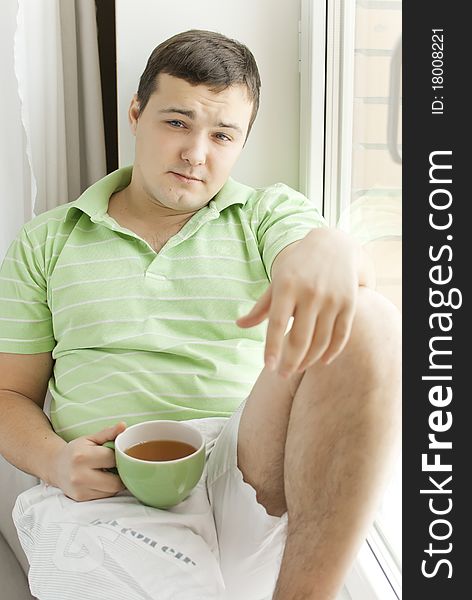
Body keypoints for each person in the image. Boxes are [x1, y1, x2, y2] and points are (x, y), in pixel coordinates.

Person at [0, 29, 401, 600]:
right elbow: (8, 394)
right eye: (177, 123)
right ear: (136, 114)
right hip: (109, 492)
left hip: (244, 474)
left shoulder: (265, 213)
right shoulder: (47, 240)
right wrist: (55, 462)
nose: (197, 153)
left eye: (222, 135)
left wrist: (332, 247)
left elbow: (318, 266)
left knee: (375, 320)